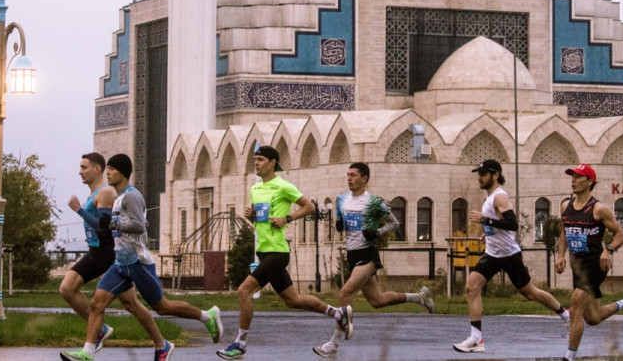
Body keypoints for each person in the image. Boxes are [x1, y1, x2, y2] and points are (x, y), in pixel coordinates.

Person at [60, 154, 223, 361]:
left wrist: (114, 225)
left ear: (123, 172)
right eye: (107, 168)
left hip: (138, 262)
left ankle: (207, 316)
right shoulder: (118, 197)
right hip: (120, 263)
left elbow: (139, 226)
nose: (108, 172)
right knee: (96, 303)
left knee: (162, 307)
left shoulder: (131, 196)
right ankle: (88, 352)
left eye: (112, 169)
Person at [218, 145, 351, 359]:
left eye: (261, 159)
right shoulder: (255, 189)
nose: (257, 163)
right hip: (264, 251)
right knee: (293, 300)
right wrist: (250, 215)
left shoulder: (283, 186)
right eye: (255, 159)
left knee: (243, 292)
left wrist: (287, 219)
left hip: (277, 252)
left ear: (273, 163)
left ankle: (240, 344)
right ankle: (338, 313)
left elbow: (309, 207)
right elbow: (259, 221)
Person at [312, 162, 435, 358]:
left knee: (345, 293)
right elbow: (339, 224)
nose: (349, 178)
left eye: (353, 175)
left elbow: (395, 223)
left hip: (367, 254)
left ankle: (333, 344)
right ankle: (418, 297)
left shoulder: (375, 202)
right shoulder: (341, 200)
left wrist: (377, 232)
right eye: (348, 175)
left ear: (364, 179)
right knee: (378, 300)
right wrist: (339, 224)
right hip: (352, 255)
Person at [453, 159, 571, 354]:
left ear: (495, 175)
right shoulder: (489, 198)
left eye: (483, 174)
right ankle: (476, 338)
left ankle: (566, 315)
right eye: (478, 174)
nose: (479, 178)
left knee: (530, 293)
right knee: (471, 287)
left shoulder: (500, 197)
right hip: (492, 253)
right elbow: (498, 223)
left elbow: (512, 223)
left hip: (509, 254)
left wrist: (484, 219)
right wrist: (487, 229)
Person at [555, 163, 623, 361]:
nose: (573, 180)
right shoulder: (565, 206)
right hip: (576, 265)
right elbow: (565, 231)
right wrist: (560, 255)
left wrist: (608, 250)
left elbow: (621, 234)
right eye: (572, 176)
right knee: (593, 318)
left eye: (579, 177)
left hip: (595, 264)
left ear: (590, 182)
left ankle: (568, 358)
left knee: (575, 305)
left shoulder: (598, 210)